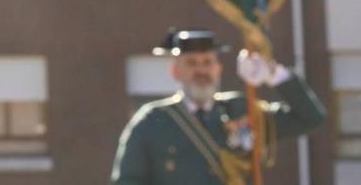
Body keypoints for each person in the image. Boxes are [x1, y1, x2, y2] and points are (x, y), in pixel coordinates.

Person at [112, 29, 325, 185]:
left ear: (218, 69)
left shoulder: (242, 109)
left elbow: (310, 119)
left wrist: (272, 73)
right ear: (175, 71)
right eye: (192, 63)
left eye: (207, 62)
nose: (201, 71)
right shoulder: (152, 121)